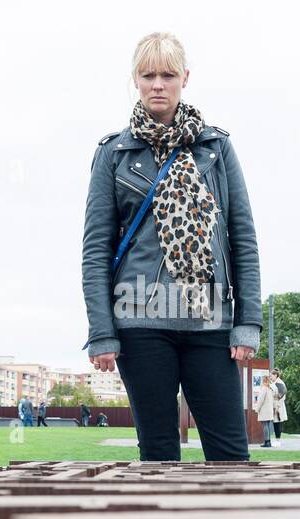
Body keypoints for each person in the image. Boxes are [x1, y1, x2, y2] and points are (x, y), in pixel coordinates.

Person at [82, 32, 262, 461]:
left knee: (231, 454)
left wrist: (248, 322)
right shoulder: (113, 153)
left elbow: (243, 239)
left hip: (211, 321)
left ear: (184, 78)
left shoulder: (216, 148)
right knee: (159, 454)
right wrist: (102, 332)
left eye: (167, 75)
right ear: (135, 81)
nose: (157, 84)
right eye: (148, 75)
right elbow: (95, 248)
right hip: (139, 322)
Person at [254, 374, 275, 448]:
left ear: (264, 380)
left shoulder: (264, 388)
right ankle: (268, 442)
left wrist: (257, 409)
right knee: (267, 426)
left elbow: (260, 400)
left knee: (265, 426)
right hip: (269, 410)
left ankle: (267, 442)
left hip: (264, 410)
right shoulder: (270, 388)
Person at [271, 368, 287, 444]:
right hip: (275, 405)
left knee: (277, 423)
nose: (270, 377)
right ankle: (277, 439)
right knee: (276, 423)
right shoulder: (275, 382)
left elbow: (282, 395)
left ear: (275, 375)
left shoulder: (279, 383)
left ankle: (278, 440)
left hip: (278, 406)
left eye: (271, 376)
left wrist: (276, 403)